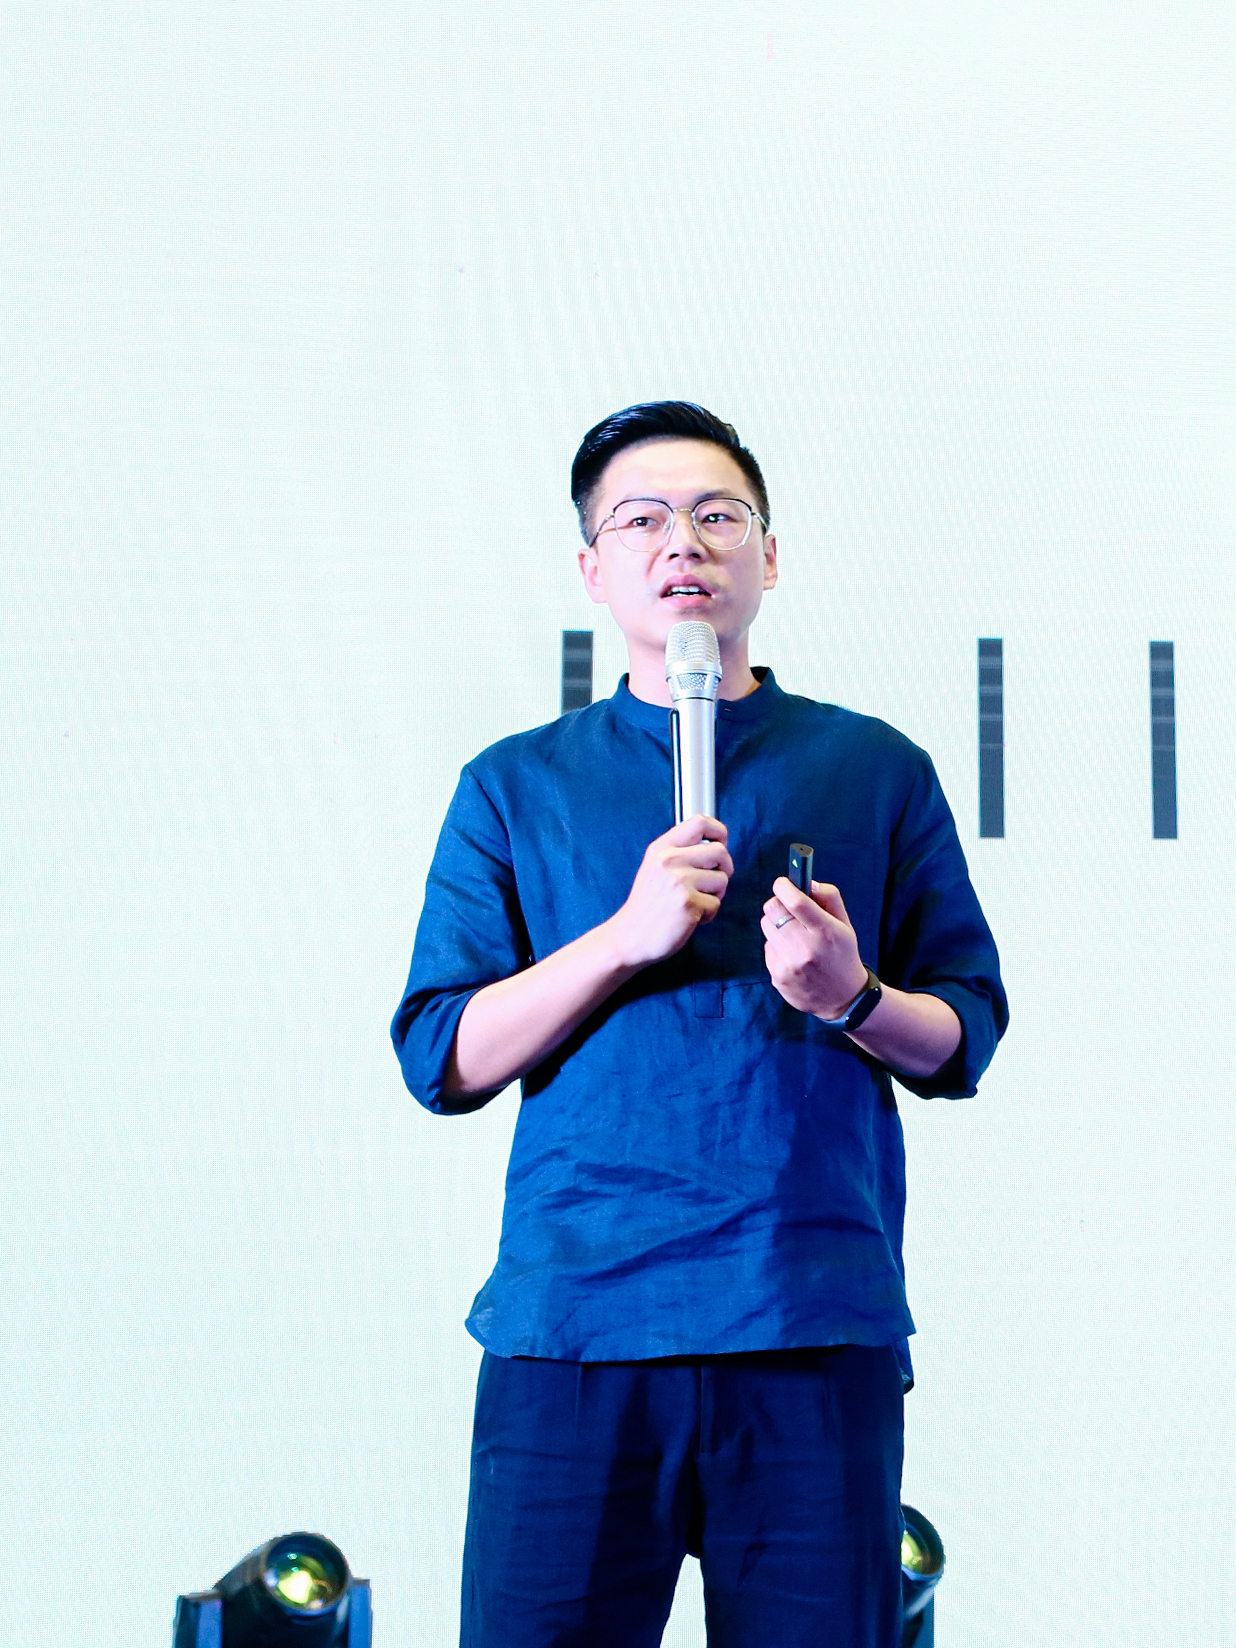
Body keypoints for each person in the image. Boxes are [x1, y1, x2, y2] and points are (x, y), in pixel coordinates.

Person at [391, 402, 1006, 1647]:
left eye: (718, 514)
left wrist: (851, 995)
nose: (684, 540)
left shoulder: (874, 767)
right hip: (574, 1327)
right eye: (643, 519)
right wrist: (623, 936)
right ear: (593, 568)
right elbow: (441, 1055)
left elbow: (964, 1034)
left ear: (768, 557)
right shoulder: (515, 784)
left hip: (806, 1319)